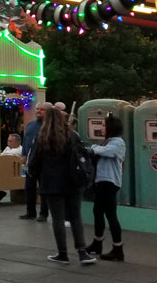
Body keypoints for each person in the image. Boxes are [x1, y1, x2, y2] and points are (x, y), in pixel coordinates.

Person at [28, 108, 96, 265]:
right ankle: (82, 252)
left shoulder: (42, 138)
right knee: (75, 216)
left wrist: (37, 176)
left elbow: (33, 163)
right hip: (73, 182)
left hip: (51, 183)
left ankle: (62, 253)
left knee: (57, 218)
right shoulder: (72, 136)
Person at [85, 115, 127, 261]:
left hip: (110, 182)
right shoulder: (107, 142)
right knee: (97, 211)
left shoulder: (118, 143)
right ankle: (97, 242)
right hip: (101, 181)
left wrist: (93, 147)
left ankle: (118, 248)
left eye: (104, 125)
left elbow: (105, 152)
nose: (101, 128)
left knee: (110, 214)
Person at [20, 101, 53, 221]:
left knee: (43, 188)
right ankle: (30, 212)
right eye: (37, 109)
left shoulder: (51, 126)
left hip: (45, 162)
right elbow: (26, 141)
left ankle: (43, 213)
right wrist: (23, 155)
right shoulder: (31, 125)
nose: (38, 111)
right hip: (30, 161)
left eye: (42, 110)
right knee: (29, 187)